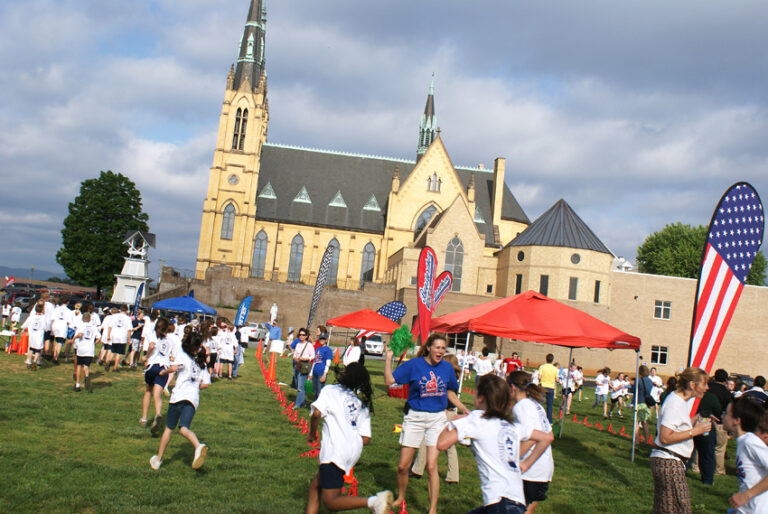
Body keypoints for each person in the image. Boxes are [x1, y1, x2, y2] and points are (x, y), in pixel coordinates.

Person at [437, 374, 554, 514]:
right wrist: (525, 464)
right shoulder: (510, 425)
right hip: (517, 502)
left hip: (499, 503)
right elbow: (546, 438)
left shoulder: (476, 419)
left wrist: (452, 423)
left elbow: (442, 444)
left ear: (481, 397)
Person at [384, 333, 470, 514]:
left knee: (431, 466)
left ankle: (432, 509)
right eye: (437, 347)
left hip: (437, 418)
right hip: (414, 417)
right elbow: (390, 381)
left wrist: (463, 408)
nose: (440, 351)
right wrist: (389, 358)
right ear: (429, 348)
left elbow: (450, 393)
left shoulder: (446, 368)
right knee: (403, 466)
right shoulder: (413, 365)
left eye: (443, 348)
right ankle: (400, 496)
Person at [305, 362, 393, 514]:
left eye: (344, 370)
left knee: (330, 502)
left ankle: (374, 502)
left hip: (334, 452)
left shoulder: (330, 390)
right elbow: (366, 439)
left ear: (345, 375)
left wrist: (312, 433)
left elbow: (316, 414)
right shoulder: (361, 404)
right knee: (316, 485)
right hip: (351, 453)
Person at [649, 367, 712, 514]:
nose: (707, 388)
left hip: (668, 461)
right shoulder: (675, 403)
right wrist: (696, 431)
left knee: (665, 508)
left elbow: (674, 428)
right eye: (704, 384)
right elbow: (665, 437)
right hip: (669, 462)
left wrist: (692, 422)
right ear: (692, 385)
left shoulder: (678, 401)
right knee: (679, 509)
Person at [150, 331, 211, 470]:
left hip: (178, 397)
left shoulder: (183, 356)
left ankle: (158, 460)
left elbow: (173, 367)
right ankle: (198, 446)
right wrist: (195, 387)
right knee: (183, 428)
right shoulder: (201, 363)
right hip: (193, 399)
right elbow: (206, 384)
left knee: (169, 428)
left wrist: (163, 372)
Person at [507, 371, 554, 513]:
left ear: (513, 388)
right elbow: (549, 433)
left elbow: (535, 438)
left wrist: (511, 460)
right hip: (544, 467)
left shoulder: (521, 407)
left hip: (530, 469)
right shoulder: (536, 404)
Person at [411, 354, 462, 483]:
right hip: (449, 412)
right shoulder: (454, 378)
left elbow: (449, 396)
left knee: (428, 441)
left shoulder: (448, 379)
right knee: (448, 446)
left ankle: (417, 469)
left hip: (445, 413)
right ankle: (453, 476)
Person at [724, 396, 768, 513]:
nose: (723, 416)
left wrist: (747, 495)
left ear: (736, 420)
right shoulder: (743, 441)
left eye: (726, 414)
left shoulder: (750, 442)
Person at [141, 318, 173, 433]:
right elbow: (172, 356)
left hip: (153, 365)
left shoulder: (153, 334)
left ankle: (144, 418)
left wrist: (146, 357)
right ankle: (158, 413)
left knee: (148, 390)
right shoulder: (170, 339)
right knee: (157, 394)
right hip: (164, 367)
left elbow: (151, 345)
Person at [707, 369, 732, 476]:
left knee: (701, 446)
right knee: (720, 448)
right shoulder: (726, 393)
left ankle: (695, 466)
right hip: (720, 422)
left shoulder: (707, 388)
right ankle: (719, 470)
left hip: (705, 420)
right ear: (725, 380)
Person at [72, 312, 99, 392]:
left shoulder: (81, 326)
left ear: (82, 319)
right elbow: (99, 338)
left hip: (81, 348)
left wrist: (74, 338)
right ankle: (87, 377)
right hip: (90, 349)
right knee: (86, 366)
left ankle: (77, 385)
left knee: (79, 366)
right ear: (90, 319)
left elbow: (80, 334)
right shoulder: (94, 327)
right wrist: (93, 343)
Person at [293, 328, 316, 408]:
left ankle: (298, 403)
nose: (301, 336)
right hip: (298, 365)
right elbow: (295, 354)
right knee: (298, 384)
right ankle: (303, 402)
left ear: (306, 336)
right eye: (300, 334)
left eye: (303, 335)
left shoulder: (309, 345)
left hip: (305, 366)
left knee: (300, 386)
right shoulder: (298, 344)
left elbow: (313, 355)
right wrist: (295, 357)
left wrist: (306, 358)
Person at [22, 302, 46, 370]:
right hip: (39, 335)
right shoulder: (43, 318)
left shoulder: (32, 316)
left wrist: (23, 329)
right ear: (42, 310)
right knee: (38, 349)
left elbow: (25, 323)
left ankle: (29, 361)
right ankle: (35, 362)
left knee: (31, 348)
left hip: (32, 334)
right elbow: (45, 327)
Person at [635, 365, 655, 444]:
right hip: (646, 403)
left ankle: (636, 441)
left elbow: (633, 390)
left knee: (636, 422)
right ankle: (647, 441)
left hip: (638, 402)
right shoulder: (650, 381)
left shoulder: (638, 380)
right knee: (644, 422)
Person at [50, 295, 73, 365]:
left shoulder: (57, 309)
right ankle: (55, 358)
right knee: (60, 342)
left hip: (55, 325)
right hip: (62, 326)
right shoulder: (68, 311)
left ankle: (54, 355)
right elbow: (69, 322)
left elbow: (52, 319)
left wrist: (51, 328)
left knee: (56, 341)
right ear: (67, 302)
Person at [537, 354, 558, 423]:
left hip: (543, 386)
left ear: (546, 359)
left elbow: (539, 377)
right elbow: (557, 379)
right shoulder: (555, 369)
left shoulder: (542, 367)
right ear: (552, 360)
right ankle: (549, 420)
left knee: (539, 403)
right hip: (551, 387)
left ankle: (538, 418)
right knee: (549, 405)